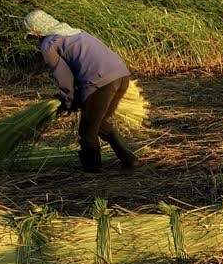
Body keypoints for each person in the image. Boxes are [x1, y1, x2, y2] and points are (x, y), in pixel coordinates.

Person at [22, 10, 137, 172]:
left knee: (86, 132)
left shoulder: (49, 44)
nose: (34, 40)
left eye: (32, 36)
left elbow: (64, 77)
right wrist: (76, 99)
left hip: (100, 82)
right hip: (121, 75)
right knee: (98, 122)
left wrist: (67, 100)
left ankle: (93, 173)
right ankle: (129, 159)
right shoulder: (74, 31)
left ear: (36, 31)